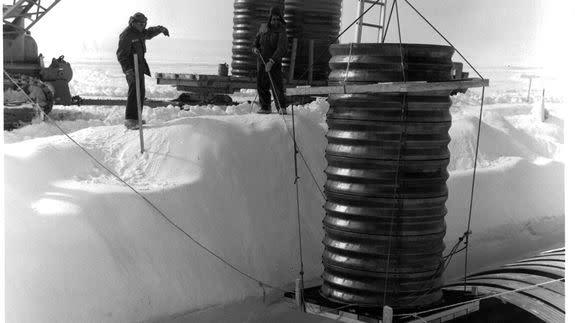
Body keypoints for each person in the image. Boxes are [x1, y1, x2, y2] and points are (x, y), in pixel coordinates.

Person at [116, 12, 169, 129]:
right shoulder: (127, 34)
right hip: (131, 68)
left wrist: (160, 29)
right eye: (140, 23)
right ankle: (130, 120)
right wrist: (128, 70)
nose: (142, 25)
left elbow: (149, 33)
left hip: (139, 66)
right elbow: (121, 55)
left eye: (144, 23)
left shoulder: (140, 32)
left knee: (140, 92)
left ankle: (136, 118)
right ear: (133, 22)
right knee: (134, 92)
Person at [252, 6, 288, 115]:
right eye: (273, 19)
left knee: (276, 86)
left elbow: (282, 48)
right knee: (261, 85)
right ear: (270, 18)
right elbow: (256, 41)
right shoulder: (263, 28)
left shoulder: (281, 31)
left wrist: (272, 61)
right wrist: (254, 48)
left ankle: (281, 107)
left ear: (280, 19)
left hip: (274, 63)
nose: (275, 21)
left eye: (277, 19)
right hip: (262, 61)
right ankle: (265, 107)